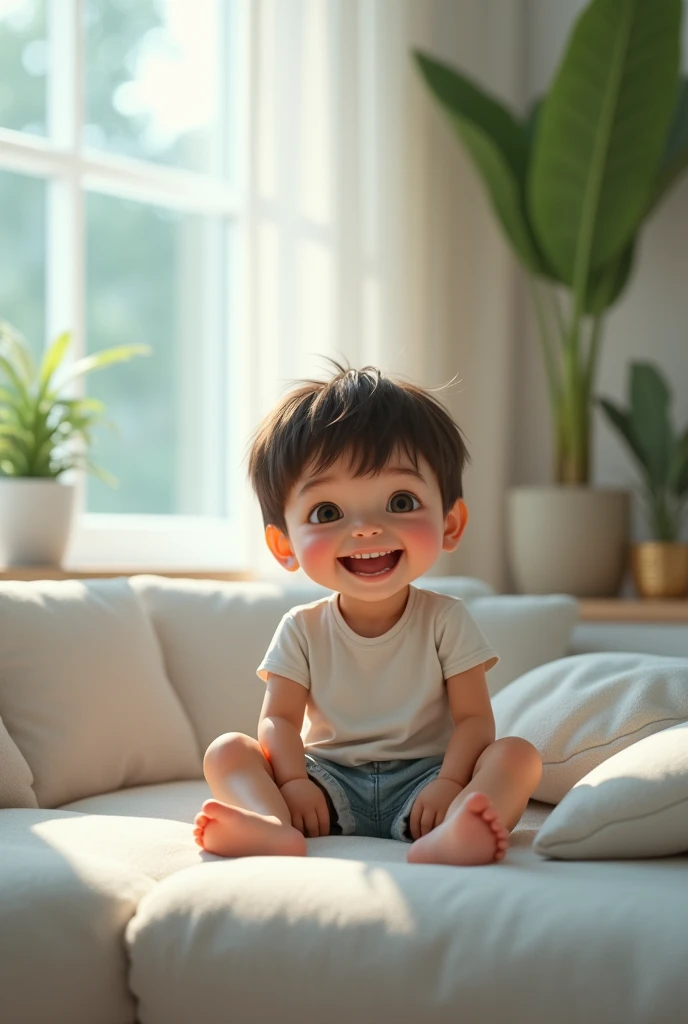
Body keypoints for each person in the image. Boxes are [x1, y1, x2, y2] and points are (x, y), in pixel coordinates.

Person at [193, 361, 542, 865]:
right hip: (324, 781)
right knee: (228, 750)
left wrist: (448, 783)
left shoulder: (446, 618)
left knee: (517, 755)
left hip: (427, 784)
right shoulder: (302, 627)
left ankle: (461, 826)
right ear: (283, 544)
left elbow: (472, 719)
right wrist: (292, 783)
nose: (366, 529)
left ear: (450, 522)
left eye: (400, 501)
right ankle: (271, 826)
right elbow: (280, 720)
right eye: (328, 513)